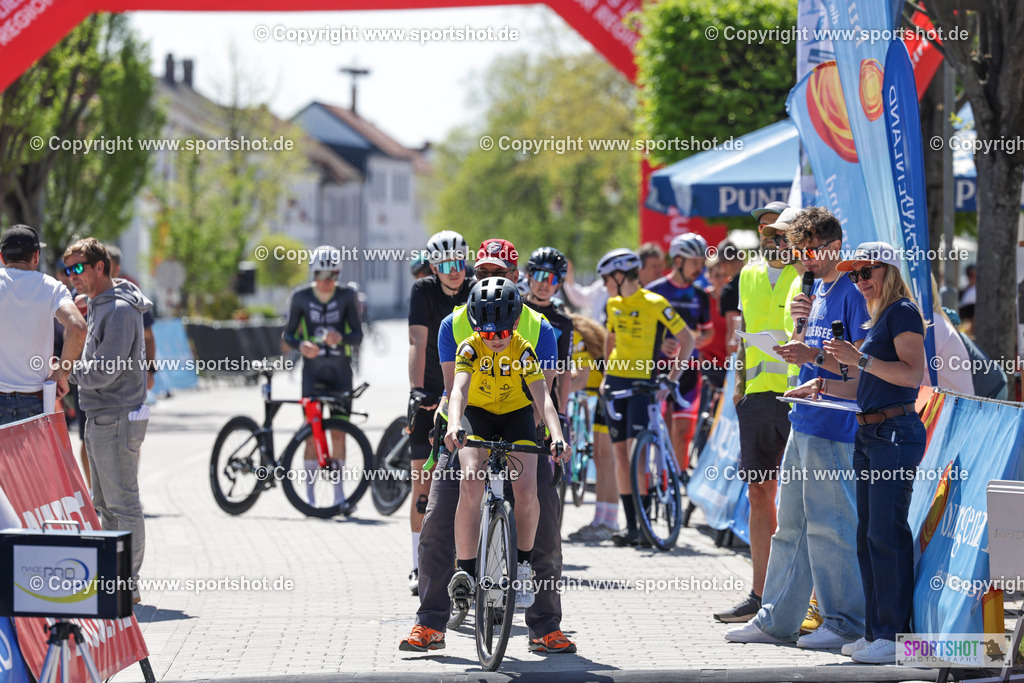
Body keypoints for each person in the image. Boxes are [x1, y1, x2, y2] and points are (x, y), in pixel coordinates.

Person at [402, 238, 575, 654]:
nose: (490, 281)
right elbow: (451, 391)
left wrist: (543, 443)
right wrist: (453, 430)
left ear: (515, 278)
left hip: (522, 422)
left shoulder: (540, 327)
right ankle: (431, 623)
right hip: (466, 424)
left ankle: (544, 626)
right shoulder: (454, 324)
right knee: (439, 516)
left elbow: (543, 397)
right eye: (483, 274)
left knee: (546, 519)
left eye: (499, 274)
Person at [725, 206, 869, 649]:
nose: (803, 259)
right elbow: (823, 360)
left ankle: (843, 622)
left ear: (835, 247)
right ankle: (775, 619)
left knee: (831, 526)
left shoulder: (851, 290)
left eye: (811, 250)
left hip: (836, 425)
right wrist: (802, 351)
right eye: (798, 250)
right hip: (804, 415)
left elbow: (860, 368)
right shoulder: (815, 291)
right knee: (791, 526)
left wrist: (812, 361)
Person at [813, 241, 927, 665]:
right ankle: (877, 630)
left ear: (889, 271)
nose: (859, 281)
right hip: (873, 432)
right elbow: (864, 384)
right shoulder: (882, 316)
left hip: (895, 431)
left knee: (886, 532)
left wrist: (858, 359)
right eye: (854, 275)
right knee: (868, 534)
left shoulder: (902, 311)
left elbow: (913, 373)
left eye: (866, 272)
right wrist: (820, 383)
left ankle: (895, 636)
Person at [444, 278, 567, 617]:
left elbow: (543, 398)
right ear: (474, 327)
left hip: (515, 415)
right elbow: (458, 391)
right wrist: (454, 423)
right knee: (470, 480)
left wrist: (556, 436)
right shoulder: (468, 348)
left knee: (527, 491)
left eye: (501, 333)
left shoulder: (522, 348)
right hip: (476, 415)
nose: (495, 340)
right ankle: (466, 573)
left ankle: (523, 569)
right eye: (486, 333)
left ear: (514, 324)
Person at [714, 202, 800, 623]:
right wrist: (739, 388)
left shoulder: (807, 270)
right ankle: (760, 594)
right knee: (758, 492)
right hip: (759, 396)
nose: (772, 236)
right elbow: (744, 335)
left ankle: (808, 600)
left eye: (780, 230)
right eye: (766, 230)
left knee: (805, 498)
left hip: (803, 395)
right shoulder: (748, 273)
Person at [63, 238, 151, 603]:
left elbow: (105, 371)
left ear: (101, 267)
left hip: (115, 416)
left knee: (122, 504)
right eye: (68, 270)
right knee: (105, 503)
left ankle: (127, 583)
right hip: (104, 416)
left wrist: (68, 369)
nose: (73, 277)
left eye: (79, 268)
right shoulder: (101, 304)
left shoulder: (116, 310)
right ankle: (116, 579)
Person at [598, 248, 696, 548]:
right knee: (619, 456)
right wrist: (604, 376)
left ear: (618, 275)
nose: (603, 284)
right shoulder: (613, 303)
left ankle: (644, 525)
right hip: (615, 383)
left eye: (605, 278)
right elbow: (610, 339)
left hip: (643, 382)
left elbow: (687, 340)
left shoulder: (655, 302)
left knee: (635, 455)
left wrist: (671, 379)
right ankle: (631, 526)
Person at [406, 230, 474, 594]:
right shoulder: (423, 291)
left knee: (469, 480)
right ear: (433, 267)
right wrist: (417, 390)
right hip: (433, 391)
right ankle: (419, 566)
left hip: (467, 394)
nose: (454, 271)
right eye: (445, 265)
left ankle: (466, 563)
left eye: (459, 262)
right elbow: (417, 339)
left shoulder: (475, 287)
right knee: (423, 487)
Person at [282, 245, 363, 514]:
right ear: (313, 273)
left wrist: (341, 337)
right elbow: (288, 335)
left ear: (338, 274)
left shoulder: (347, 295)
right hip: (313, 373)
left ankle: (340, 496)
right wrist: (301, 344)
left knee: (339, 432)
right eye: (321, 275)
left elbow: (358, 335)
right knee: (311, 433)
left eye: (332, 275)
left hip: (340, 373)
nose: (326, 282)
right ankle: (309, 495)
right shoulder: (301, 296)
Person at [0, 226, 87, 426]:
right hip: (36, 401)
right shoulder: (51, 287)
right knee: (35, 459)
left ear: (2, 258)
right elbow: (78, 328)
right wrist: (62, 373)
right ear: (36, 256)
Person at [646, 233, 714, 473]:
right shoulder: (654, 291)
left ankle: (676, 477)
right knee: (660, 426)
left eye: (701, 262)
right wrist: (659, 344)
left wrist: (693, 340)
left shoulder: (701, 295)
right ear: (677, 261)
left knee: (684, 431)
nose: (700, 267)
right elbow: (641, 332)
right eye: (694, 262)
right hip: (658, 370)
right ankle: (661, 476)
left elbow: (708, 334)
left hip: (688, 371)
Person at [565, 314, 618, 541]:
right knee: (600, 458)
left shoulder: (574, 334)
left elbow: (581, 380)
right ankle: (600, 519)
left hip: (606, 395)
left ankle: (610, 521)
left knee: (606, 460)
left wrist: (553, 396)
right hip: (600, 395)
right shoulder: (579, 332)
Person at [523, 247, 574, 411]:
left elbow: (565, 370)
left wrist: (561, 411)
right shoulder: (514, 308)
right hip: (508, 394)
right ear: (528, 275)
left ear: (559, 284)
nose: (545, 284)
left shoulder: (563, 321)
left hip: (543, 398)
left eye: (552, 279)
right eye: (540, 276)